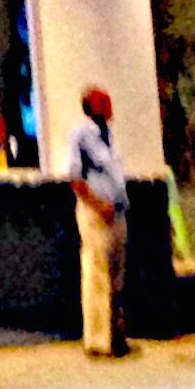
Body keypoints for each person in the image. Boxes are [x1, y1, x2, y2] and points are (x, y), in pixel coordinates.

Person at [70, 85, 130, 359]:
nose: (110, 104)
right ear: (91, 106)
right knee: (97, 273)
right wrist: (98, 204)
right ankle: (97, 340)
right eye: (103, 101)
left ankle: (117, 335)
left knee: (117, 277)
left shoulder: (109, 135)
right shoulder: (81, 136)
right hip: (96, 214)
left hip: (117, 211)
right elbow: (75, 178)